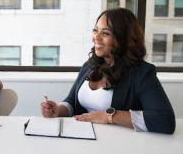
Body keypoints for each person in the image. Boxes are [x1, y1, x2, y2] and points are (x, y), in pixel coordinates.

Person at [41, 8, 176, 134]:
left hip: (116, 147)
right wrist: (58, 110)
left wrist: (109, 115)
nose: (96, 37)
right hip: (84, 139)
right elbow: (71, 102)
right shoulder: (89, 66)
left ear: (123, 39)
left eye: (105, 33)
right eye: (95, 30)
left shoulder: (141, 73)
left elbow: (165, 120)